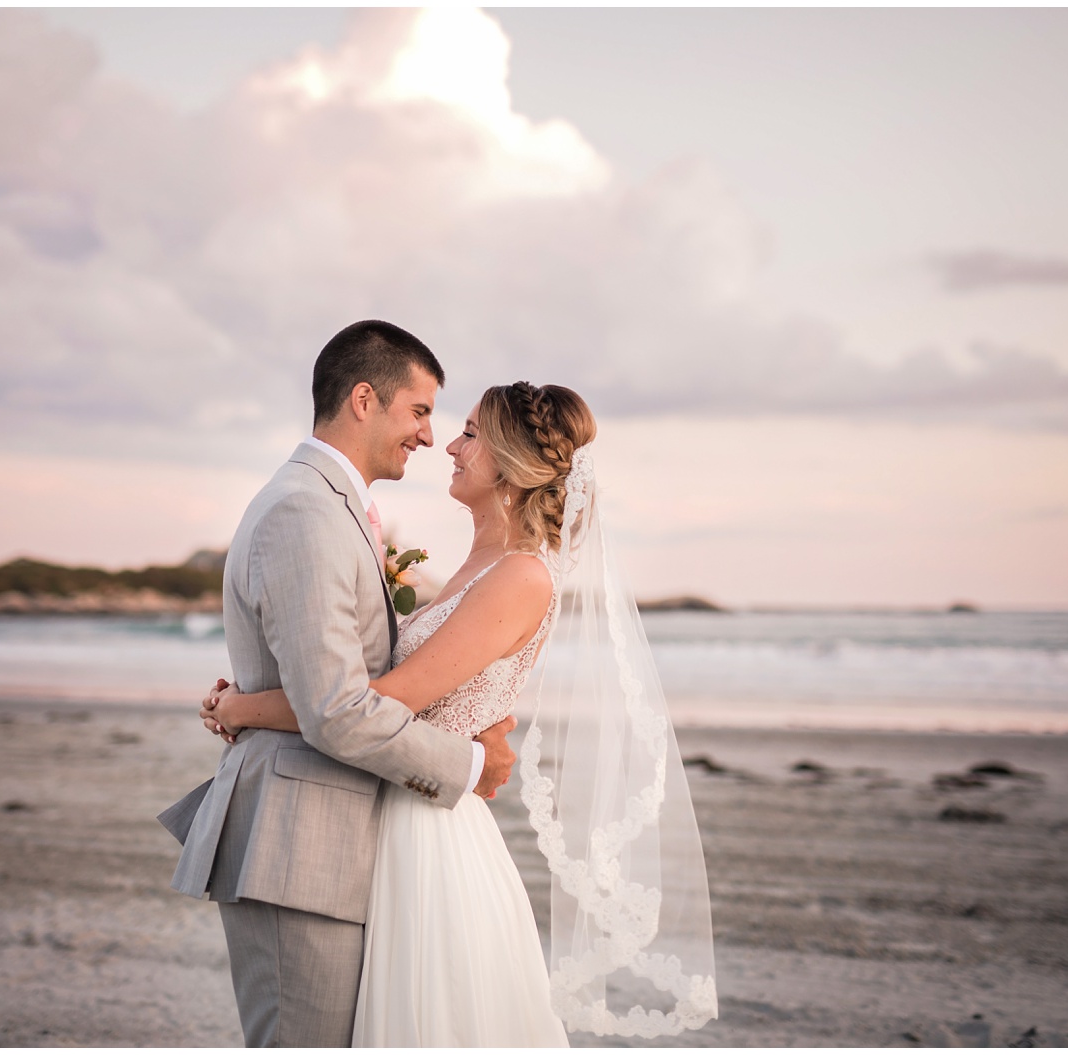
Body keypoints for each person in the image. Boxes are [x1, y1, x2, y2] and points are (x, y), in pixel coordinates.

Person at [204, 382, 719, 1045]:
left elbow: (378, 703)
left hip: (430, 834)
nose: (449, 443)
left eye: (470, 433)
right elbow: (373, 693)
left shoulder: (520, 577)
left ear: (509, 460)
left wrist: (240, 707)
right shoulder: (478, 566)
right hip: (395, 816)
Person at [157, 321, 519, 1048]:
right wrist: (472, 764)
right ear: (363, 399)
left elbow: (339, 685)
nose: (428, 435)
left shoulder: (333, 507)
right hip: (298, 845)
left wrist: (245, 704)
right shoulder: (306, 510)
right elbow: (337, 710)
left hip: (326, 842)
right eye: (418, 410)